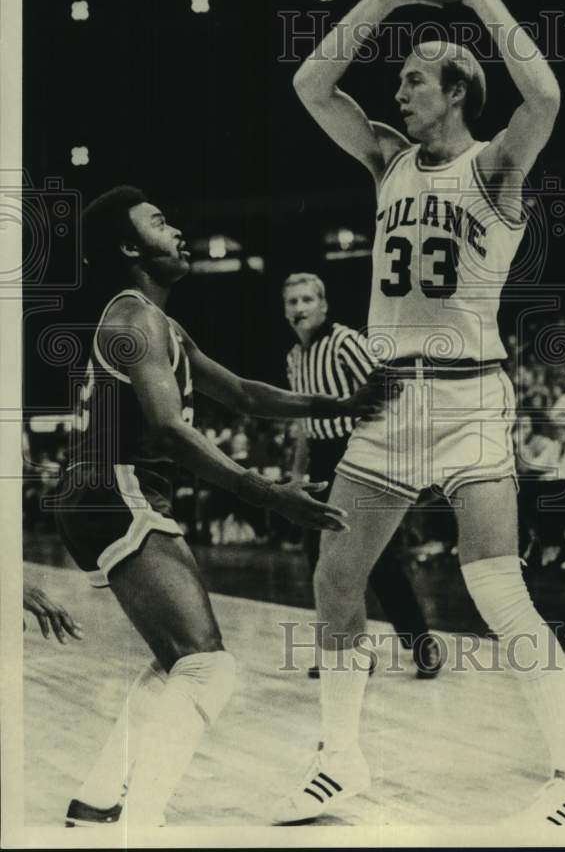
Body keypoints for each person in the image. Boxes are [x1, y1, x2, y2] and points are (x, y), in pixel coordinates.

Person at [274, 0, 565, 826]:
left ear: (457, 91)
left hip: (467, 396)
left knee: (495, 586)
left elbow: (546, 91)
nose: (399, 88)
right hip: (385, 398)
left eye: (415, 77)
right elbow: (310, 86)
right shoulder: (384, 159)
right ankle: (340, 760)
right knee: (336, 582)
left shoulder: (494, 165)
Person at [53, 186, 383, 829]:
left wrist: (333, 406)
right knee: (209, 669)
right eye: (158, 221)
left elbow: (243, 394)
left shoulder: (161, 322)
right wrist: (265, 493)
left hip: (101, 496)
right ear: (130, 249)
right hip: (113, 491)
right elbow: (171, 429)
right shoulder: (133, 320)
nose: (176, 229)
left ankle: (97, 801)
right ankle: (138, 826)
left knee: (183, 659)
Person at [283, 272, 444, 678]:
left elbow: (390, 382)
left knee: (378, 561)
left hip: (354, 455)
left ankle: (421, 642)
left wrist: (374, 433)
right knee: (320, 563)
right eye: (292, 302)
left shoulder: (344, 342)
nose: (299, 308)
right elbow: (304, 424)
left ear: (323, 305)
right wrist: (296, 474)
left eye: (306, 299)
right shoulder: (293, 358)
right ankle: (345, 649)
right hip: (320, 461)